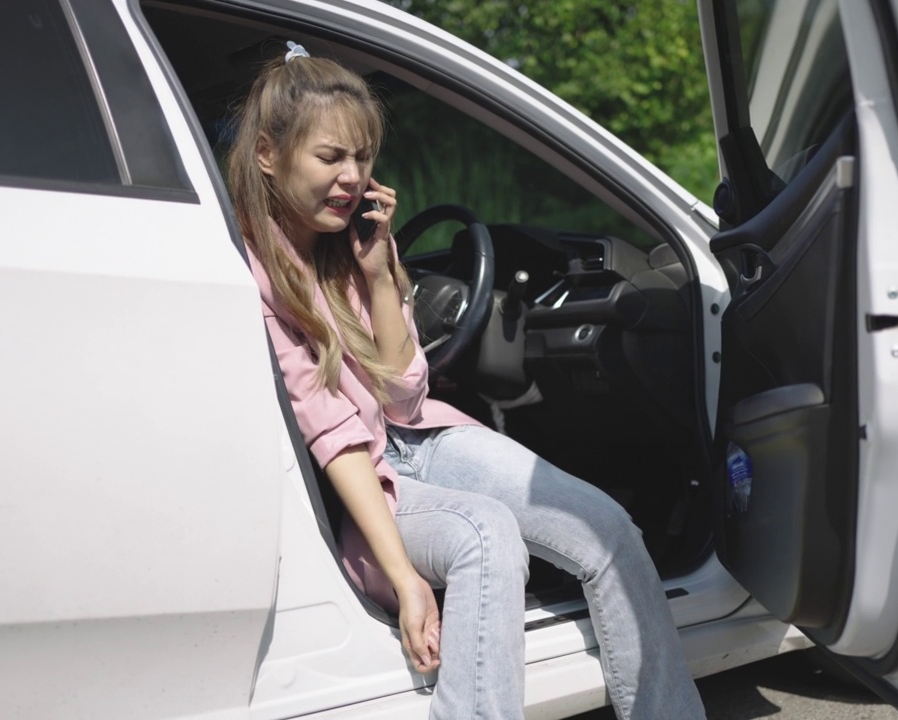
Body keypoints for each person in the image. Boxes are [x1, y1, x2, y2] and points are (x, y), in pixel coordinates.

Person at [227, 42, 706, 720]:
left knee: (604, 527)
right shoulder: (251, 271)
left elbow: (405, 395)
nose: (352, 178)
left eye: (362, 158)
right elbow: (336, 438)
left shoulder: (354, 244)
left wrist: (378, 276)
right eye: (330, 158)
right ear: (269, 155)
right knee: (486, 533)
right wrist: (405, 581)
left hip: (421, 438)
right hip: (359, 484)